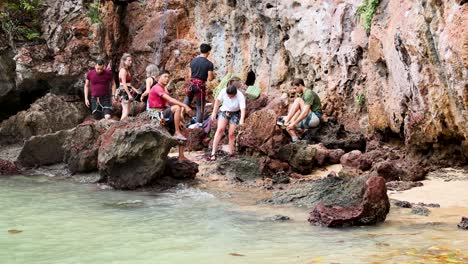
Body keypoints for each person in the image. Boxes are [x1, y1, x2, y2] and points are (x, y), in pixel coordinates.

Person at [147, 70, 192, 160]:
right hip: (156, 114)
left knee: (182, 128)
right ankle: (177, 132)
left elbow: (167, 104)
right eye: (165, 76)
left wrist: (178, 120)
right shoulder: (157, 88)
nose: (167, 79)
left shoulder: (163, 88)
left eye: (168, 77)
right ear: (158, 78)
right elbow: (170, 100)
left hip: (163, 112)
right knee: (177, 108)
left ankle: (181, 156)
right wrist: (185, 105)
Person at [209, 84, 246, 161]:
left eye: (231, 96)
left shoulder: (240, 95)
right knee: (220, 130)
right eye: (228, 95)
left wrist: (241, 120)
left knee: (231, 134)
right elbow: (217, 101)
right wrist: (214, 112)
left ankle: (231, 152)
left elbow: (243, 109)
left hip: (235, 113)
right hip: (224, 111)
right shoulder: (223, 91)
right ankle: (213, 153)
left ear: (235, 94)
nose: (229, 97)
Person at [183, 43, 214, 126]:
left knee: (187, 100)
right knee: (200, 105)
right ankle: (199, 124)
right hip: (200, 86)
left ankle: (180, 116)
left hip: (191, 84)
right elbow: (210, 78)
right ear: (208, 52)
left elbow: (189, 75)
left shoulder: (193, 61)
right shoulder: (209, 64)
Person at [117, 53, 136, 120]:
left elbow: (128, 84)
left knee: (125, 110)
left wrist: (135, 89)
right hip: (124, 91)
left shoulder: (127, 70)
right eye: (129, 60)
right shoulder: (123, 70)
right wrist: (129, 94)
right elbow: (124, 84)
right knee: (126, 111)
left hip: (126, 90)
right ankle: (120, 126)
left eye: (131, 60)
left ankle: (121, 125)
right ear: (124, 61)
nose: (130, 62)